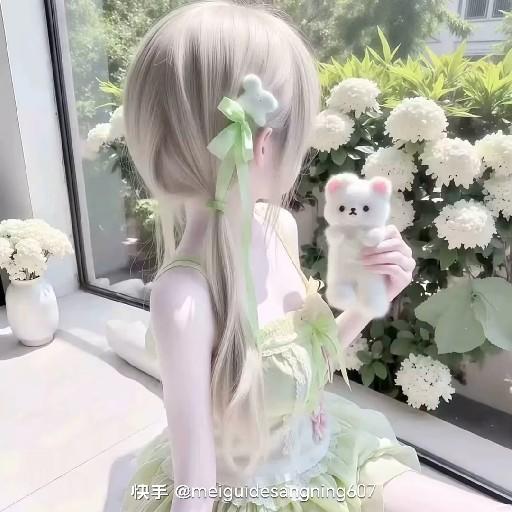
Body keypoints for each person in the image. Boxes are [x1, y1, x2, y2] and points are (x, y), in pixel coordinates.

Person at [120, 2, 511, 511]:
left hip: (327, 459)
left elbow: (299, 373)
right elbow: (196, 486)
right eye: (301, 132)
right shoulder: (184, 298)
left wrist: (367, 305)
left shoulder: (277, 228)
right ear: (263, 145)